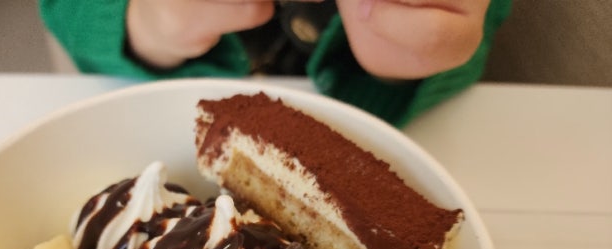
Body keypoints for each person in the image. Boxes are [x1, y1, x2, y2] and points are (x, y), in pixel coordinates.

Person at [39, 0, 511, 127]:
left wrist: (402, 64)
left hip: (395, 129)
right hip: (141, 108)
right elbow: (65, 9)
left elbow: (467, 24)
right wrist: (144, 23)